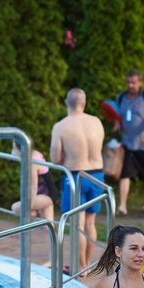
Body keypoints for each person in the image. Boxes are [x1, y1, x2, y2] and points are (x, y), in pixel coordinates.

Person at [50, 88, 105, 271]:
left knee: (78, 224)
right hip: (97, 174)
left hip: (75, 176)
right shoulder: (96, 122)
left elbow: (55, 159)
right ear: (84, 102)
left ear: (67, 102)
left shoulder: (61, 126)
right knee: (90, 223)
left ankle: (79, 267)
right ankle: (87, 264)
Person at [114, 68, 144, 216]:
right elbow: (117, 115)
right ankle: (122, 206)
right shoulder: (121, 97)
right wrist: (117, 124)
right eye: (128, 82)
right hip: (127, 142)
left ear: (140, 82)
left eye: (134, 82)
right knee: (125, 174)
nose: (130, 85)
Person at [10, 143, 55, 223]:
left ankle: (35, 213)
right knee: (48, 226)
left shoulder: (32, 161)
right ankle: (35, 213)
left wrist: (30, 206)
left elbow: (33, 186)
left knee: (14, 208)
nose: (12, 151)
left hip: (45, 195)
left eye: (13, 148)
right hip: (47, 194)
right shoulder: (33, 153)